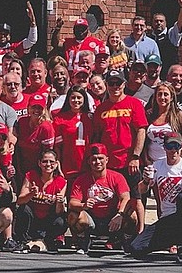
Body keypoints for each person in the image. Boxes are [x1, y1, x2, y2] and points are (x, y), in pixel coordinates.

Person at [125, 133, 182, 260]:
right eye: (170, 146)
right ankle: (172, 240)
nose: (173, 150)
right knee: (135, 247)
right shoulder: (158, 165)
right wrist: (146, 181)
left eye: (177, 146)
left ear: (181, 147)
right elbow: (142, 190)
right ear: (164, 147)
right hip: (168, 218)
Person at [92, 70, 148, 234]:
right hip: (109, 165)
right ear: (107, 85)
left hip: (130, 162)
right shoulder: (101, 109)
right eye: (111, 83)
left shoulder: (134, 104)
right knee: (113, 200)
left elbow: (141, 131)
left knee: (135, 198)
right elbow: (97, 136)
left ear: (124, 84)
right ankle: (114, 235)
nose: (115, 87)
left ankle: (140, 232)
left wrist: (136, 156)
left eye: (118, 83)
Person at [68, 143, 131, 254]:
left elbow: (126, 198)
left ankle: (125, 240)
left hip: (113, 218)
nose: (97, 162)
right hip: (92, 218)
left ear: (107, 160)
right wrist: (83, 205)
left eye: (100, 158)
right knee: (73, 216)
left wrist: (120, 214)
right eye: (94, 159)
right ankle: (83, 240)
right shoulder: (81, 179)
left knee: (132, 214)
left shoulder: (117, 177)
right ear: (88, 161)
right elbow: (72, 203)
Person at [14, 149, 67, 253]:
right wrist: (31, 194)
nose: (48, 164)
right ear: (39, 163)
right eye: (44, 161)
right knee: (23, 209)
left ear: (56, 164)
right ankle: (23, 241)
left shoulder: (61, 182)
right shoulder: (31, 176)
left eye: (51, 162)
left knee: (61, 221)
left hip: (48, 219)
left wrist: (60, 202)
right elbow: (20, 201)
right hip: (32, 218)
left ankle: (48, 241)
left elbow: (59, 212)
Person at [145, 83, 182, 164]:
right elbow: (144, 140)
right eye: (159, 94)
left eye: (165, 94)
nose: (162, 97)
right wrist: (146, 159)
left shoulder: (179, 115)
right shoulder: (149, 115)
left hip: (172, 163)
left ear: (171, 97)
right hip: (152, 163)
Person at [53, 85, 93, 178]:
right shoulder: (60, 119)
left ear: (84, 99)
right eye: (73, 97)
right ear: (68, 99)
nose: (76, 100)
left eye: (79, 97)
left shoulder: (91, 118)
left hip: (88, 165)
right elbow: (57, 147)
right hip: (68, 165)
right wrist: (58, 164)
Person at [15, 94, 56, 177]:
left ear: (44, 110)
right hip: (21, 167)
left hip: (39, 170)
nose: (36, 110)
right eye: (34, 107)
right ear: (28, 108)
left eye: (39, 108)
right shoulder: (22, 122)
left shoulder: (46, 127)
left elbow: (47, 153)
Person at [148, 0, 182, 73]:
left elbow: (180, 23)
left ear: (165, 23)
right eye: (156, 21)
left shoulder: (171, 34)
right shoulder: (148, 37)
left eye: (161, 21)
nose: (158, 23)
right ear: (152, 23)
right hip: (152, 75)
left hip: (169, 76)